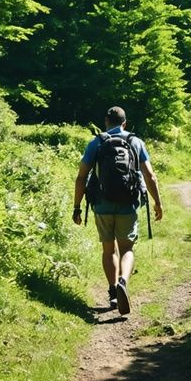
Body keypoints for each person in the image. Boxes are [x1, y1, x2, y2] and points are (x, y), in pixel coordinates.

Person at [72, 106, 163, 315]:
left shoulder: (97, 142)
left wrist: (77, 206)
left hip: (101, 204)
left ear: (106, 121)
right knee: (127, 249)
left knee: (108, 249)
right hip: (128, 203)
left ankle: (113, 291)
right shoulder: (136, 142)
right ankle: (124, 280)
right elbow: (150, 176)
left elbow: (81, 177)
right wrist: (157, 202)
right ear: (125, 123)